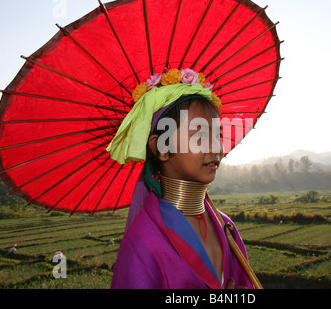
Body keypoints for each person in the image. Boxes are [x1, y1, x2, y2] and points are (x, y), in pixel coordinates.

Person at [108, 68, 255, 289]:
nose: (217, 147)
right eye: (199, 136)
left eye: (217, 135)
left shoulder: (227, 228)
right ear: (161, 147)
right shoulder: (143, 243)